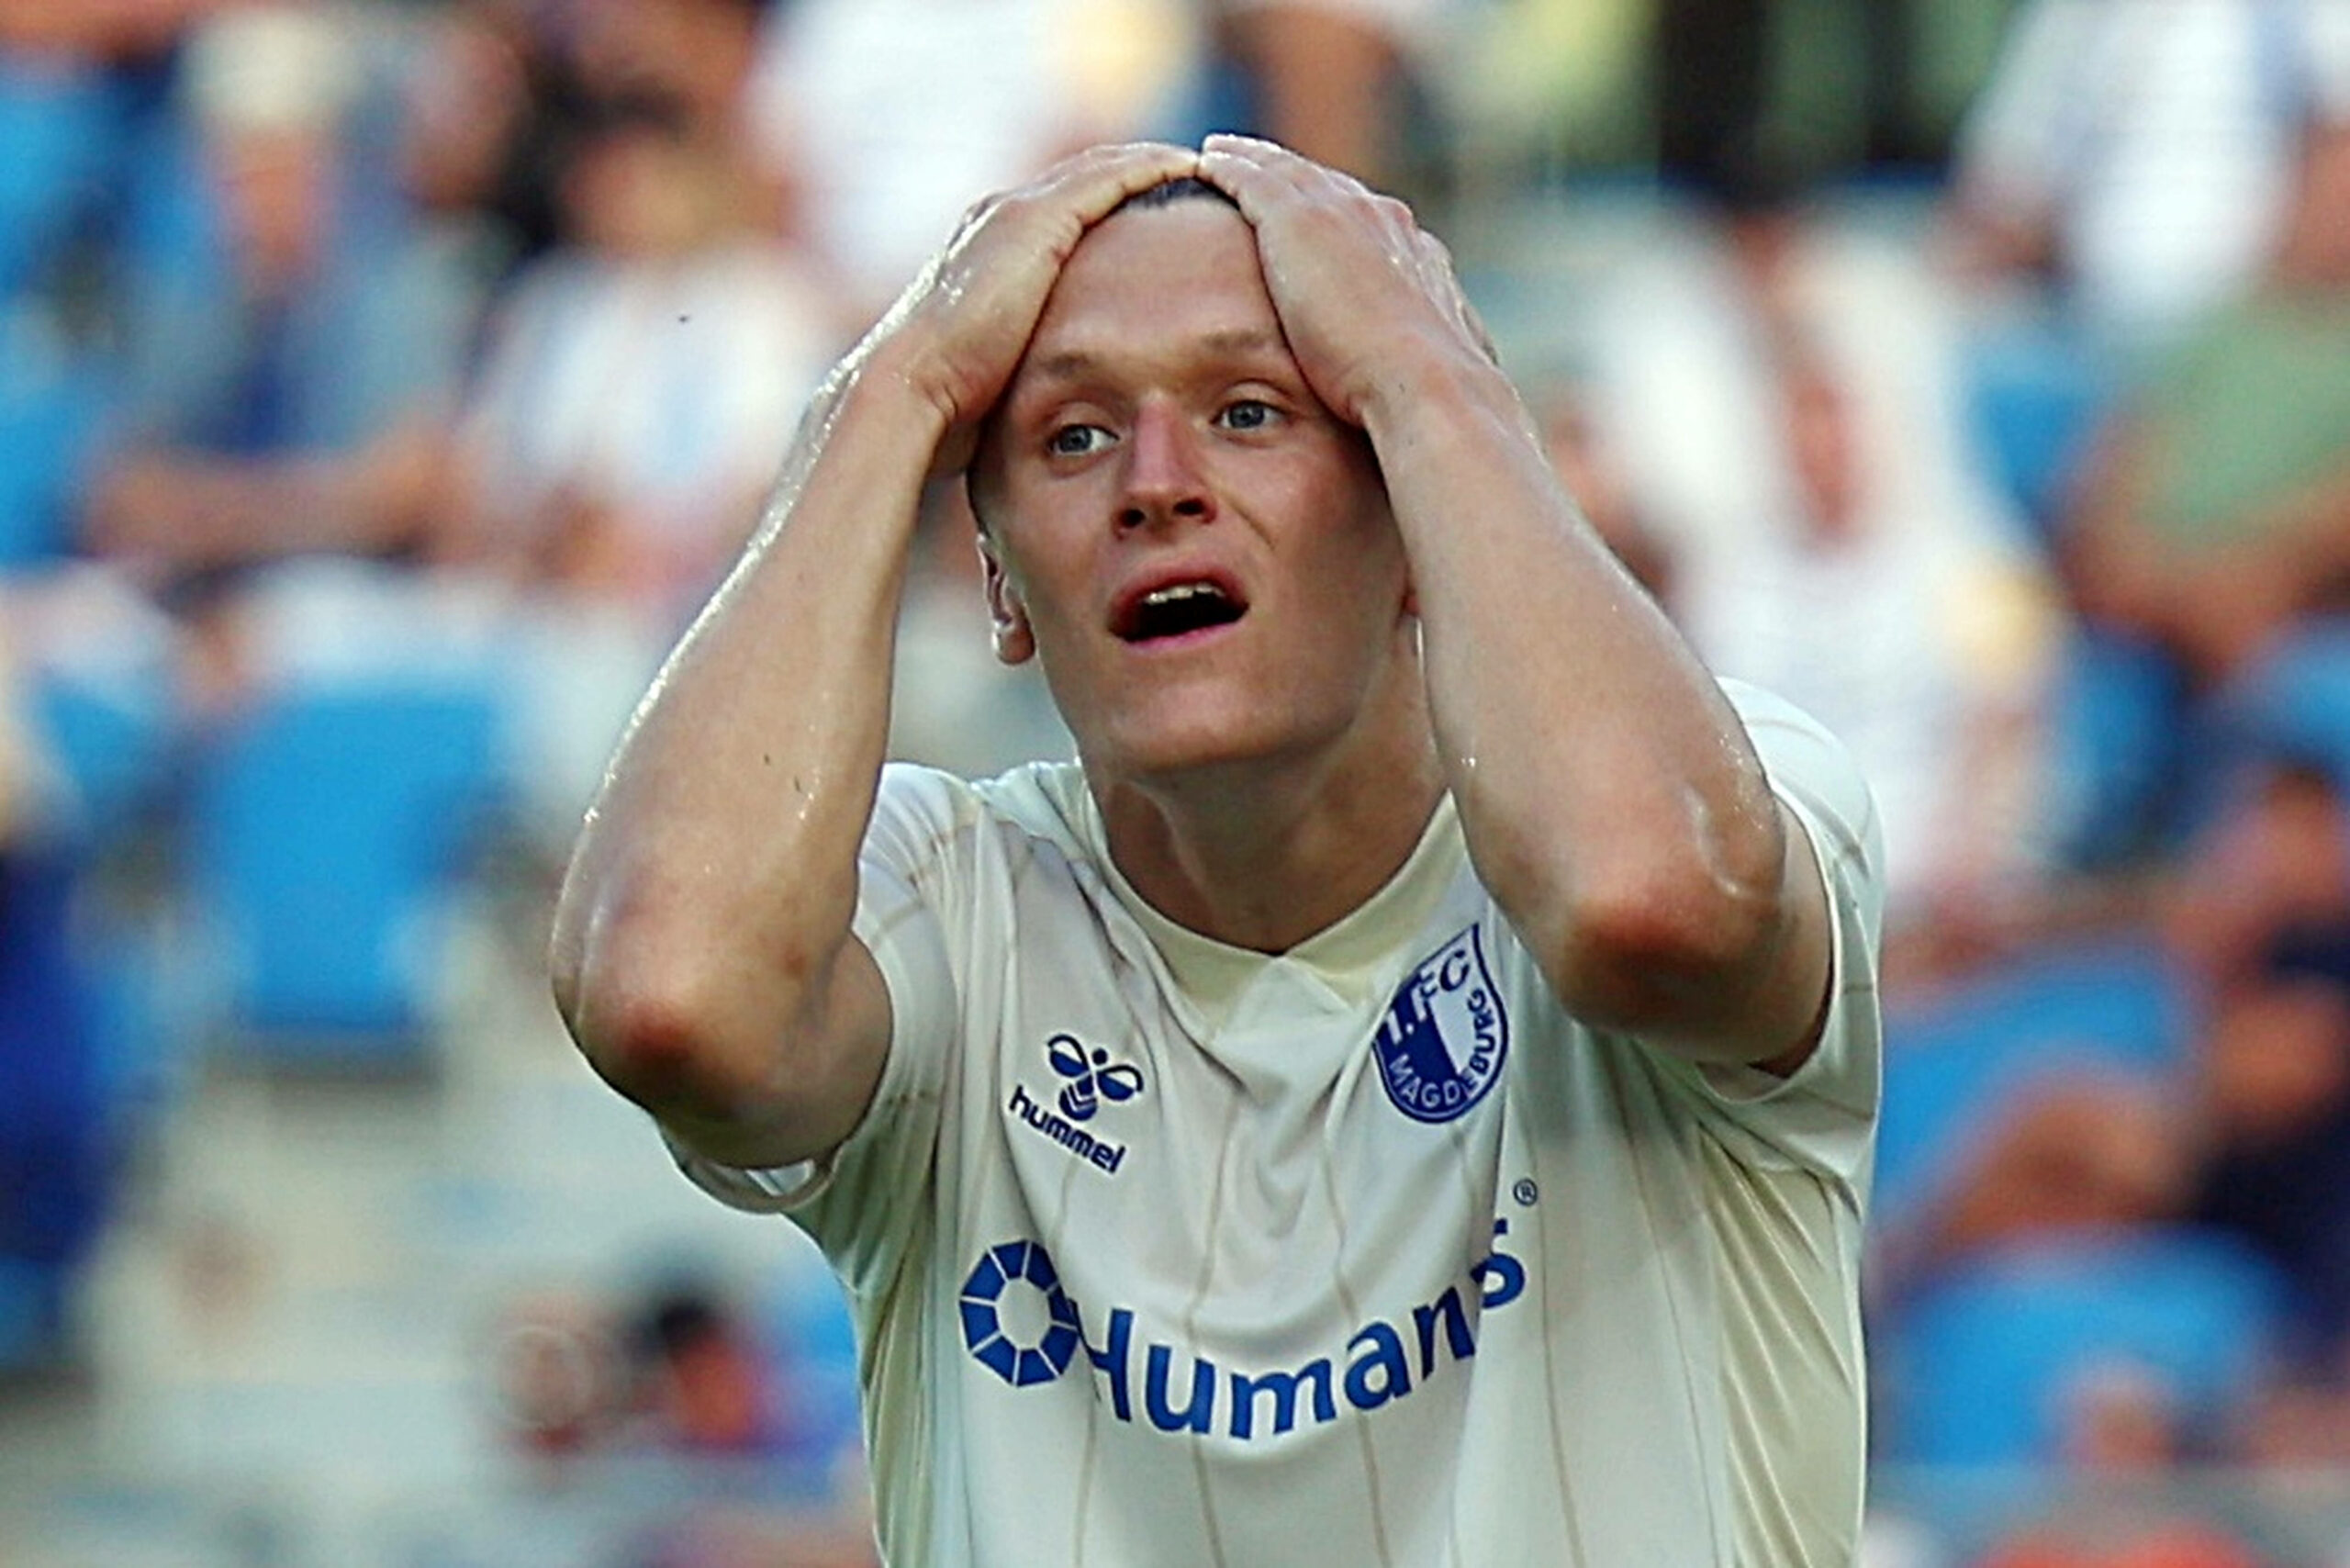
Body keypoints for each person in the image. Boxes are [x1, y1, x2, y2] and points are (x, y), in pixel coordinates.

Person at [550, 136, 1885, 1566]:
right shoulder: (948, 906)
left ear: (1419, 511)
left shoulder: (1725, 785)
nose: (1156, 484)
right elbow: (668, 993)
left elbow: (1648, 902)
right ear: (999, 585)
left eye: (1252, 412)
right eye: (1072, 436)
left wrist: (1425, 368)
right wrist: (896, 386)